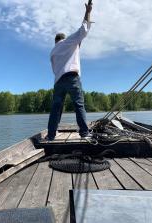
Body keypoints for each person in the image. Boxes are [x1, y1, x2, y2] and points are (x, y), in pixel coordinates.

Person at [46, 1, 93, 141]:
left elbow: (55, 69)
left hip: (58, 81)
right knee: (78, 104)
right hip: (72, 78)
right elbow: (83, 30)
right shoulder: (68, 42)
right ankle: (84, 133)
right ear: (63, 39)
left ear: (55, 41)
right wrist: (88, 12)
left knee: (56, 109)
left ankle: (51, 135)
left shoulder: (52, 52)